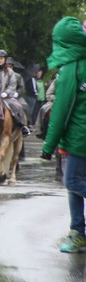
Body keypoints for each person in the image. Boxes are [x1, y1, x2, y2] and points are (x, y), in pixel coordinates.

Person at [41, 17, 86, 254]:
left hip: (79, 138)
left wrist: (48, 145)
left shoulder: (71, 68)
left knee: (72, 181)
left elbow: (60, 110)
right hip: (78, 136)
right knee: (73, 185)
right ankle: (78, 232)